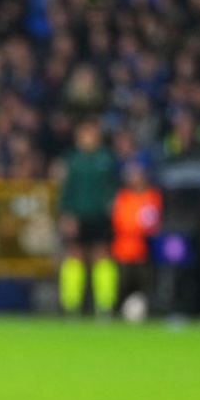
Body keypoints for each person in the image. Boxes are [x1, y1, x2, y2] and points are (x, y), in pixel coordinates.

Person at [58, 119, 120, 316]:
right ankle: (71, 304)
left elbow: (115, 187)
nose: (87, 138)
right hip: (78, 215)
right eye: (84, 134)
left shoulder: (106, 159)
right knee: (75, 256)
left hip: (100, 215)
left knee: (102, 255)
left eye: (91, 134)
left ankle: (105, 304)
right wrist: (66, 214)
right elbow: (67, 190)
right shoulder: (73, 159)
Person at [110, 161, 162, 316]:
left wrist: (137, 229)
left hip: (143, 249)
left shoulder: (152, 196)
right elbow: (119, 221)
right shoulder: (123, 196)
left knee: (144, 285)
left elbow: (152, 223)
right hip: (123, 249)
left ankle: (146, 312)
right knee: (122, 284)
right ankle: (117, 312)